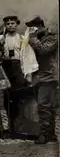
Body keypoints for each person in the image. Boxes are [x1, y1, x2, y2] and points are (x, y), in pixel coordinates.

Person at [0, 15, 30, 136]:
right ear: (5, 26)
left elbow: (26, 56)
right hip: (5, 68)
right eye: (8, 24)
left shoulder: (22, 38)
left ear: (16, 24)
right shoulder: (0, 38)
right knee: (7, 97)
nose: (10, 25)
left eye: (12, 23)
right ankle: (9, 126)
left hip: (18, 68)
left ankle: (19, 127)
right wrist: (0, 45)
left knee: (18, 97)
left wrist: (26, 73)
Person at [25, 16, 59, 144]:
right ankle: (51, 134)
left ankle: (44, 134)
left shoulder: (52, 37)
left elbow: (44, 50)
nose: (30, 31)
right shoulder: (37, 38)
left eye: (32, 28)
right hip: (38, 77)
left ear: (40, 27)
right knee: (47, 106)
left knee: (44, 106)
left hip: (48, 77)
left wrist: (32, 38)